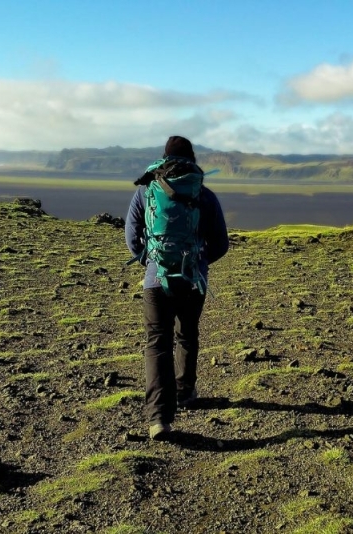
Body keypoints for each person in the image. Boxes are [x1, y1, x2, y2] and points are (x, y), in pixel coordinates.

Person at [125, 135, 229, 440]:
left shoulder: (146, 191)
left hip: (156, 280)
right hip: (193, 280)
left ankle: (159, 417)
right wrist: (199, 261)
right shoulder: (205, 195)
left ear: (163, 158)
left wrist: (151, 260)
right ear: (193, 159)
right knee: (187, 333)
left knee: (157, 342)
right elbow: (221, 243)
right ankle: (185, 390)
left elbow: (132, 237)